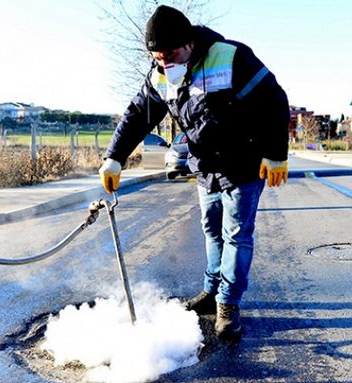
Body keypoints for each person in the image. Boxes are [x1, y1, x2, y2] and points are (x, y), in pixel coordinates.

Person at [99, 5, 289, 339]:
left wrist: (275, 154)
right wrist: (114, 157)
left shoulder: (230, 57)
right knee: (211, 229)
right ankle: (211, 292)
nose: (164, 63)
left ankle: (228, 304)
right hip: (206, 168)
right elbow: (137, 115)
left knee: (236, 234)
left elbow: (274, 99)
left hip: (244, 164)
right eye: (158, 57)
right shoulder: (160, 74)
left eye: (170, 54)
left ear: (189, 42)